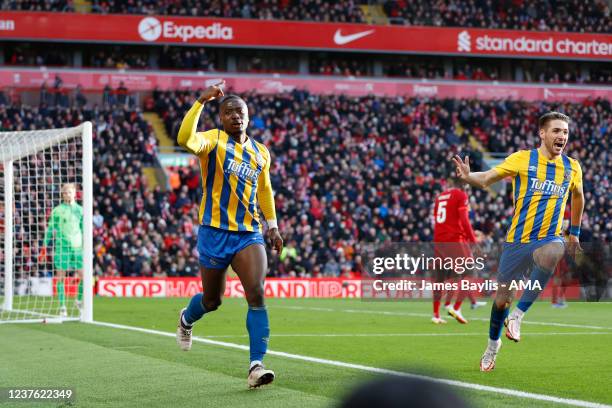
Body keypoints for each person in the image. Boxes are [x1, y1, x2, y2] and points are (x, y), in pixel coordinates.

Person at [452, 112, 584, 371]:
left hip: (550, 236)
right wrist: (469, 177)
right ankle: (492, 346)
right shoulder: (523, 159)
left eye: (565, 132)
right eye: (556, 131)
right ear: (542, 133)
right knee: (502, 298)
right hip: (517, 241)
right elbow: (488, 178)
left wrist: (575, 233)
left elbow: (578, 196)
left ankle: (518, 315)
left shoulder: (572, 167)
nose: (562, 136)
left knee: (553, 252)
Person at [174, 80, 283, 388]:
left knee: (257, 293)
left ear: (248, 117)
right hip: (213, 232)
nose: (236, 116)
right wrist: (201, 101)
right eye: (229, 112)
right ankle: (186, 319)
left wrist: (272, 225)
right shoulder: (212, 140)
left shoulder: (261, 152)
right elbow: (184, 139)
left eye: (241, 111)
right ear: (220, 118)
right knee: (212, 300)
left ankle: (256, 365)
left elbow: (265, 190)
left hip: (248, 233)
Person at [431, 176, 485, 325]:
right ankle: (456, 307)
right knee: (470, 271)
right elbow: (464, 220)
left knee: (441, 278)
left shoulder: (439, 198)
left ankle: (436, 314)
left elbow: (437, 220)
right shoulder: (460, 195)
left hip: (439, 240)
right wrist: (473, 242)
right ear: (463, 185)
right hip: (454, 239)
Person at [40, 183, 84, 317]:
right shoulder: (57, 210)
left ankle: (78, 300)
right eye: (64, 192)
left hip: (77, 248)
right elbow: (50, 230)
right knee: (60, 277)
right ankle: (63, 307)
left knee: (85, 276)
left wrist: (86, 245)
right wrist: (44, 246)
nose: (66, 194)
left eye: (69, 192)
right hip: (62, 248)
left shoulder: (81, 210)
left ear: (74, 193)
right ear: (62, 194)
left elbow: (83, 229)